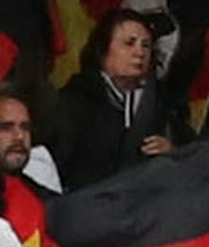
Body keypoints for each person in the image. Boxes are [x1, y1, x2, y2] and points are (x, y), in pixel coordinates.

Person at [49, 10, 188, 191]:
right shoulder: (73, 99)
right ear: (103, 50)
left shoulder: (166, 103)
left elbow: (193, 149)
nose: (139, 52)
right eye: (129, 43)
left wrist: (173, 150)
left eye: (146, 45)